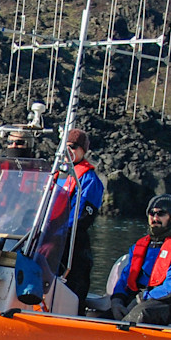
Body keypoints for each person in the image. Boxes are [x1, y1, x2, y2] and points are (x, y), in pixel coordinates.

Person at [109, 194, 171, 325]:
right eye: (152, 213)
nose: (155, 218)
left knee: (141, 314)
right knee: (101, 316)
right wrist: (117, 300)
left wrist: (143, 298)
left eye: (161, 213)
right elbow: (125, 277)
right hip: (137, 297)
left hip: (169, 302)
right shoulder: (139, 247)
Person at [58, 128, 103, 300]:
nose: (69, 150)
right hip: (51, 238)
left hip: (73, 243)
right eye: (66, 146)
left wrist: (61, 233)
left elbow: (82, 217)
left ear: (82, 150)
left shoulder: (89, 180)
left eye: (74, 147)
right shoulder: (57, 175)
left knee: (75, 287)